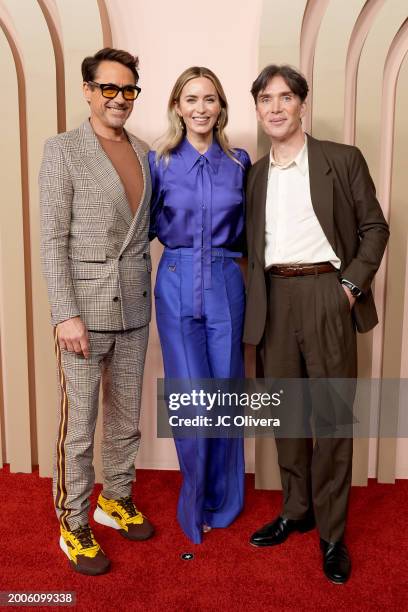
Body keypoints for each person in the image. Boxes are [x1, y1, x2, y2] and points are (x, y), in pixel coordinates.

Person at [244, 64, 389, 583]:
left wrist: (349, 287)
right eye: (266, 99)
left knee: (329, 418)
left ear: (303, 103)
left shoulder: (341, 160)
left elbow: (375, 226)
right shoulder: (254, 174)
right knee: (284, 415)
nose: (276, 107)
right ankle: (296, 509)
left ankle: (332, 533)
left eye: (286, 97)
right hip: (274, 298)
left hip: (329, 294)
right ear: (257, 108)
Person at [39, 47, 154, 576]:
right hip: (82, 313)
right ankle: (73, 522)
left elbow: (146, 230)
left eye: (128, 89)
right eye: (109, 88)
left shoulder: (146, 151)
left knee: (126, 420)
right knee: (80, 428)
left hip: (134, 306)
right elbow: (51, 239)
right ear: (88, 90)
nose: (119, 98)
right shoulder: (62, 150)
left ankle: (117, 497)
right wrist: (65, 312)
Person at [149, 66, 251, 544]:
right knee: (192, 400)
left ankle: (224, 500)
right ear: (177, 106)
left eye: (209, 99)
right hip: (175, 279)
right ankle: (194, 501)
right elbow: (143, 226)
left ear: (221, 106)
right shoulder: (160, 162)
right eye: (191, 99)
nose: (201, 108)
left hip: (227, 279)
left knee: (225, 395)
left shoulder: (241, 162)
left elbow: (254, 230)